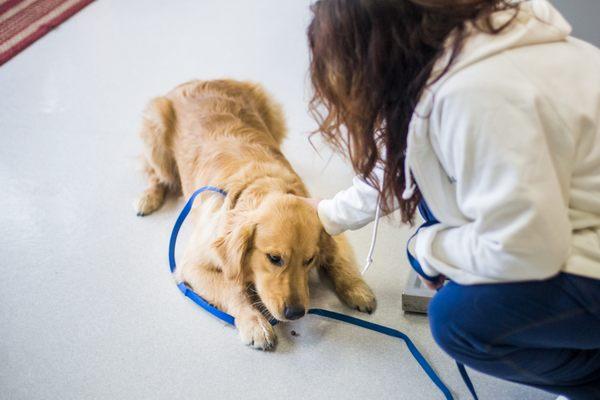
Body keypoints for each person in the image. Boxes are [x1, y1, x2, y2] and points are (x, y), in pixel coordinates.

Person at [302, 0, 600, 398]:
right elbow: (397, 161)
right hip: (571, 213)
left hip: (558, 245)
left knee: (458, 320)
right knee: (428, 228)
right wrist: (326, 216)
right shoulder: (467, 40)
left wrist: (430, 247)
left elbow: (530, 250)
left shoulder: (478, 96)